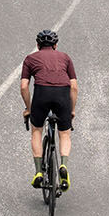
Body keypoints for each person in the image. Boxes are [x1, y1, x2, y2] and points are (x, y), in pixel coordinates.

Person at [20, 28, 77, 189]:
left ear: (37, 45)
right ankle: (63, 165)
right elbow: (74, 87)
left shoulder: (30, 59)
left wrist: (29, 108)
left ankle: (38, 171)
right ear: (56, 45)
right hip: (62, 94)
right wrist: (71, 109)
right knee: (65, 134)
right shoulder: (65, 57)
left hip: (42, 94)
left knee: (37, 130)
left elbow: (24, 86)